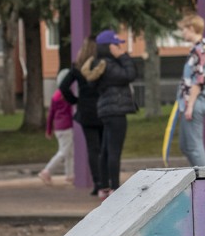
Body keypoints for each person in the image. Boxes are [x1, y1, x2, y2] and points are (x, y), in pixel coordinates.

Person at [91, 29, 137, 199]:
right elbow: (130, 74)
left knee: (106, 149)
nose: (119, 48)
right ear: (108, 46)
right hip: (116, 110)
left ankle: (104, 186)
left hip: (107, 110)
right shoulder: (109, 65)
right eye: (116, 44)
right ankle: (115, 187)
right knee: (113, 150)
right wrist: (123, 57)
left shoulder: (100, 64)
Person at [61, 38, 105, 196]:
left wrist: (75, 100)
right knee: (104, 147)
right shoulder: (101, 65)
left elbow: (63, 86)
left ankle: (98, 183)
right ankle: (107, 182)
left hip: (86, 111)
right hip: (102, 109)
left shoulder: (77, 67)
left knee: (93, 149)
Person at [176, 15, 205, 168]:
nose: (183, 33)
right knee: (185, 146)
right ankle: (200, 179)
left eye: (184, 29)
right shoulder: (198, 49)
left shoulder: (200, 50)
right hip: (191, 102)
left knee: (194, 146)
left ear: (192, 28)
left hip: (195, 101)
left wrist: (190, 105)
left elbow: (198, 81)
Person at [39, 81, 75, 183]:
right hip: (67, 127)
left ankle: (70, 175)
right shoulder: (69, 96)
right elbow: (72, 111)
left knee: (69, 152)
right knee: (63, 152)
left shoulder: (55, 95)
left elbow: (51, 114)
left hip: (58, 127)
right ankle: (47, 171)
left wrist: (49, 129)